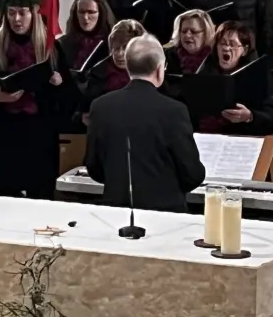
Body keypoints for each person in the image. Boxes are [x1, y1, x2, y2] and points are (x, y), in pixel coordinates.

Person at [84, 36, 206, 214]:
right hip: (167, 214)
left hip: (115, 212)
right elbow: (192, 175)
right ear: (160, 69)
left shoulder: (100, 106)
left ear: (128, 67)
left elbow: (94, 167)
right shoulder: (174, 111)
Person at [0, 6, 73, 199]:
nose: (17, 19)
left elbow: (69, 97)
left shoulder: (50, 46)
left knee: (40, 197)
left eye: (23, 13)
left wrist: (60, 84)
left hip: (39, 136)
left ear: (34, 14)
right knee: (5, 196)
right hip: (5, 135)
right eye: (11, 13)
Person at [188, 21, 273, 136]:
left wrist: (249, 116)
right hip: (205, 136)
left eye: (232, 44)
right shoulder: (205, 72)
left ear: (244, 50)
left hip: (243, 137)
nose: (226, 48)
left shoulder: (258, 75)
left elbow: (271, 119)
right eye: (222, 43)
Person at [77, 19, 147, 127]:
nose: (119, 54)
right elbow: (79, 113)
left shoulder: (152, 76)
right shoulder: (95, 77)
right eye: (116, 48)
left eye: (125, 48)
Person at [56, 0, 116, 74]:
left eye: (91, 12)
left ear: (101, 13)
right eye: (81, 12)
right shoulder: (62, 44)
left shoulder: (114, 45)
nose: (85, 17)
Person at [163, 9, 216, 104]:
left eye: (193, 31)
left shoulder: (216, 58)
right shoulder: (167, 56)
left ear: (206, 33)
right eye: (183, 31)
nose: (187, 35)